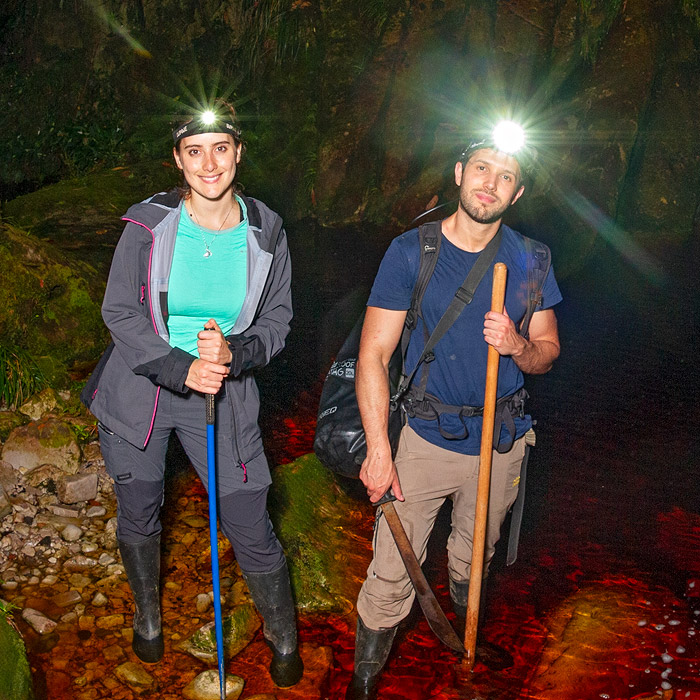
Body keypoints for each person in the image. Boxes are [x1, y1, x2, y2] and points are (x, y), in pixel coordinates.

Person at [81, 102, 303, 687]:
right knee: (141, 507)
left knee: (249, 519)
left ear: (238, 152)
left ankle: (283, 637)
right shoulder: (147, 225)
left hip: (225, 396)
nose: (210, 163)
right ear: (178, 160)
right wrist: (182, 368)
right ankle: (149, 618)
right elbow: (120, 311)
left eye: (221, 148)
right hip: (139, 391)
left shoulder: (267, 232)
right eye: (195, 151)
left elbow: (277, 323)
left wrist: (236, 354)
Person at [345, 132, 562, 699]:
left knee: (475, 552)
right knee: (393, 569)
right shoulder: (412, 252)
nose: (490, 182)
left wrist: (517, 345)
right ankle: (363, 682)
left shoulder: (531, 259)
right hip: (425, 439)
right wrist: (377, 449)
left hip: (502, 439)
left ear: (516, 194)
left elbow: (548, 350)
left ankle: (462, 653)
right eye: (482, 168)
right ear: (460, 171)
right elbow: (374, 355)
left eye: (506, 176)